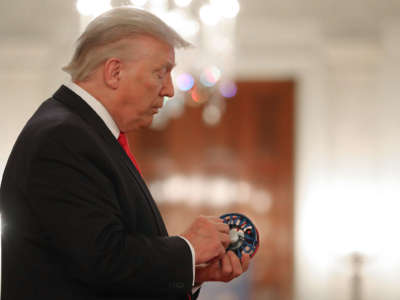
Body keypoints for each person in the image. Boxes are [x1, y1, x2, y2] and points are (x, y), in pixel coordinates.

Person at [0, 7, 250, 300]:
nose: (169, 90)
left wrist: (191, 273)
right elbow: (104, 259)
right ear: (115, 72)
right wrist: (188, 248)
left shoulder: (85, 133)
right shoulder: (62, 137)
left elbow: (101, 267)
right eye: (161, 72)